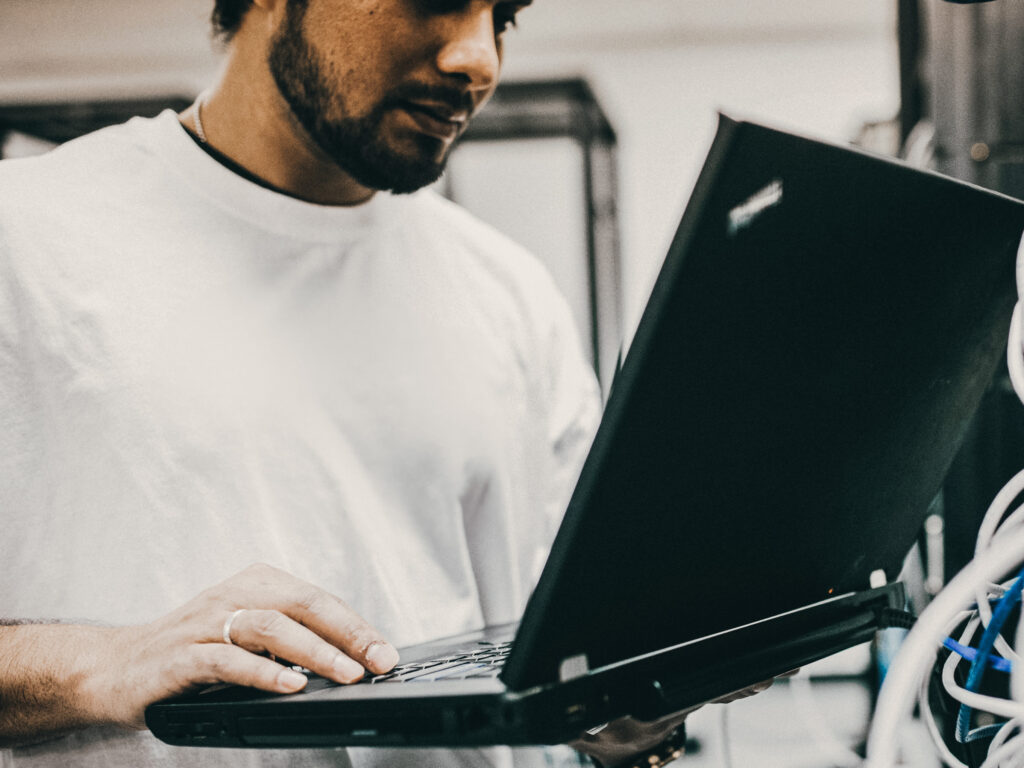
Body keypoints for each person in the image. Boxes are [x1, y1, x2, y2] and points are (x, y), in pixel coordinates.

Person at [0, 0, 761, 765]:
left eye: (504, 18)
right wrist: (103, 663)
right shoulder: (25, 239)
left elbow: (568, 668)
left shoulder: (512, 294)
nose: (480, 60)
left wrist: (631, 718)